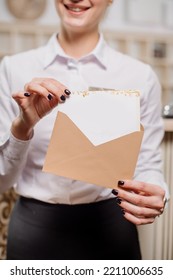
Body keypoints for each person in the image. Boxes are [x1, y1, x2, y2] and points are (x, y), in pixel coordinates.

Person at [0, 0, 169, 260]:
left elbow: (147, 164)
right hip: (33, 232)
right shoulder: (13, 69)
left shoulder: (140, 76)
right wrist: (23, 126)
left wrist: (157, 193)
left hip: (112, 232)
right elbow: (3, 182)